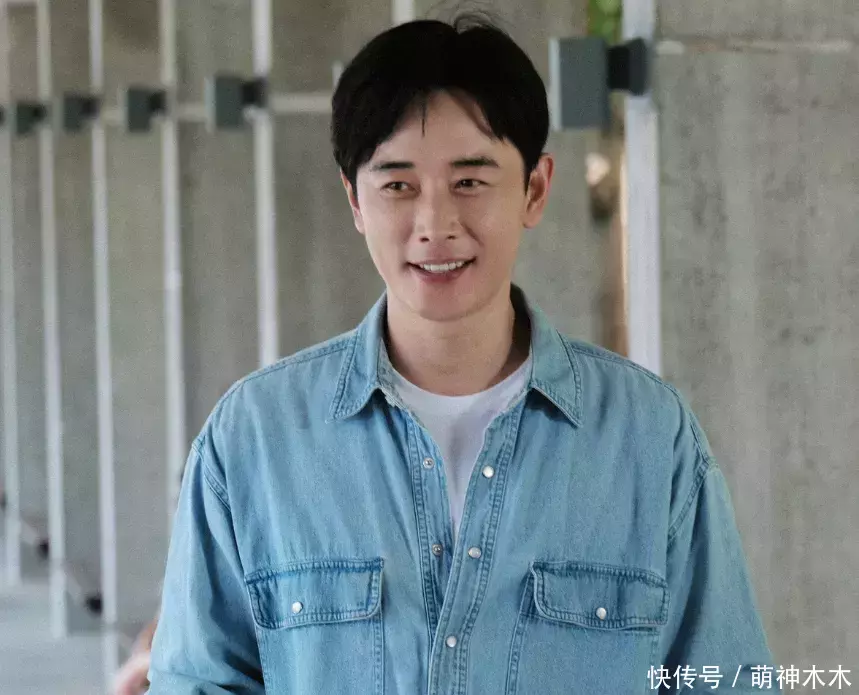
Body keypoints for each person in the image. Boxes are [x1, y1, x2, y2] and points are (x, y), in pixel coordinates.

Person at [147, 13, 779, 694]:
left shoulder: (647, 435)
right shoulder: (255, 437)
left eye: (470, 182)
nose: (435, 225)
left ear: (535, 189)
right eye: (398, 185)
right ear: (354, 199)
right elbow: (198, 681)